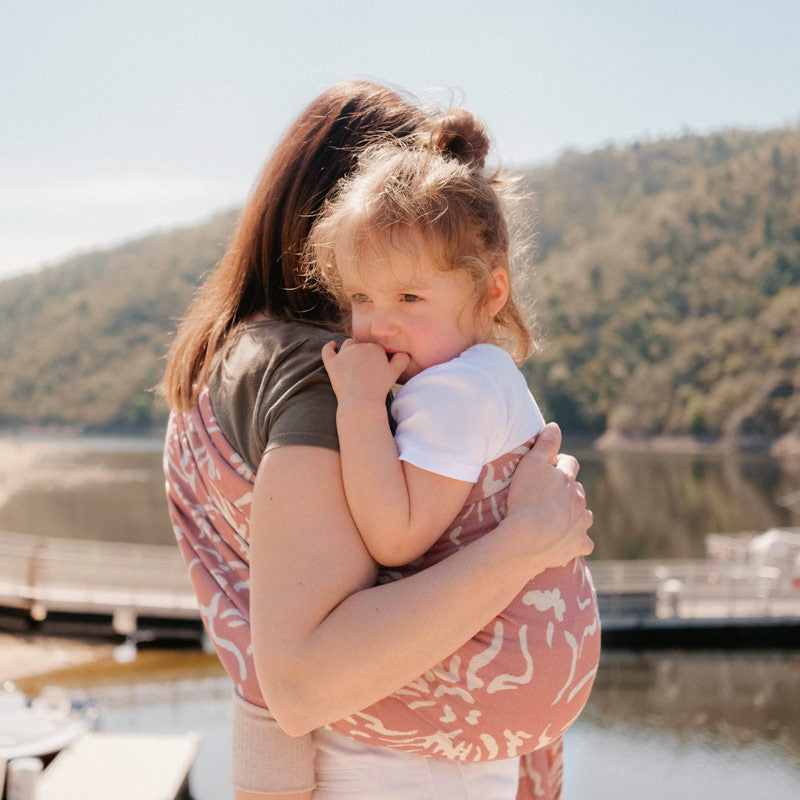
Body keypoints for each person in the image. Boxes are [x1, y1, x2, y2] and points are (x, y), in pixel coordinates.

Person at [162, 81, 596, 800]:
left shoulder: (214, 374)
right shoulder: (318, 378)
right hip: (400, 776)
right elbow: (301, 680)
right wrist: (527, 539)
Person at [304, 110, 600, 794]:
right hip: (545, 668)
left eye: (410, 295)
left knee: (300, 687)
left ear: (491, 291)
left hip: (507, 672)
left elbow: (397, 536)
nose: (379, 323)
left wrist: (354, 407)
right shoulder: (486, 374)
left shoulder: (453, 391)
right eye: (361, 298)